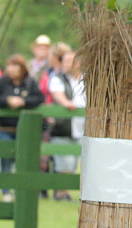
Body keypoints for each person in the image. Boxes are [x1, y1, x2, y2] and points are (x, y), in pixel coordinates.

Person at [0, 54, 44, 201]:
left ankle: (23, 190)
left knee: (24, 160)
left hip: (24, 129)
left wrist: (23, 101)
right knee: (5, 160)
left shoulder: (30, 83)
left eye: (15, 66)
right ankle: (6, 191)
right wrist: (7, 100)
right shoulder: (3, 82)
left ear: (22, 68)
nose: (11, 69)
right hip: (4, 128)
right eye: (9, 65)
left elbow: (39, 98)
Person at [47, 51, 85, 201]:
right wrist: (67, 104)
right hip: (64, 127)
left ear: (78, 63)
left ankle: (77, 193)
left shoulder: (86, 79)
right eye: (64, 61)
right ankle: (61, 193)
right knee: (64, 162)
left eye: (69, 61)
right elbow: (58, 95)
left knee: (76, 161)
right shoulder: (57, 79)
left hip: (83, 127)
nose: (65, 64)